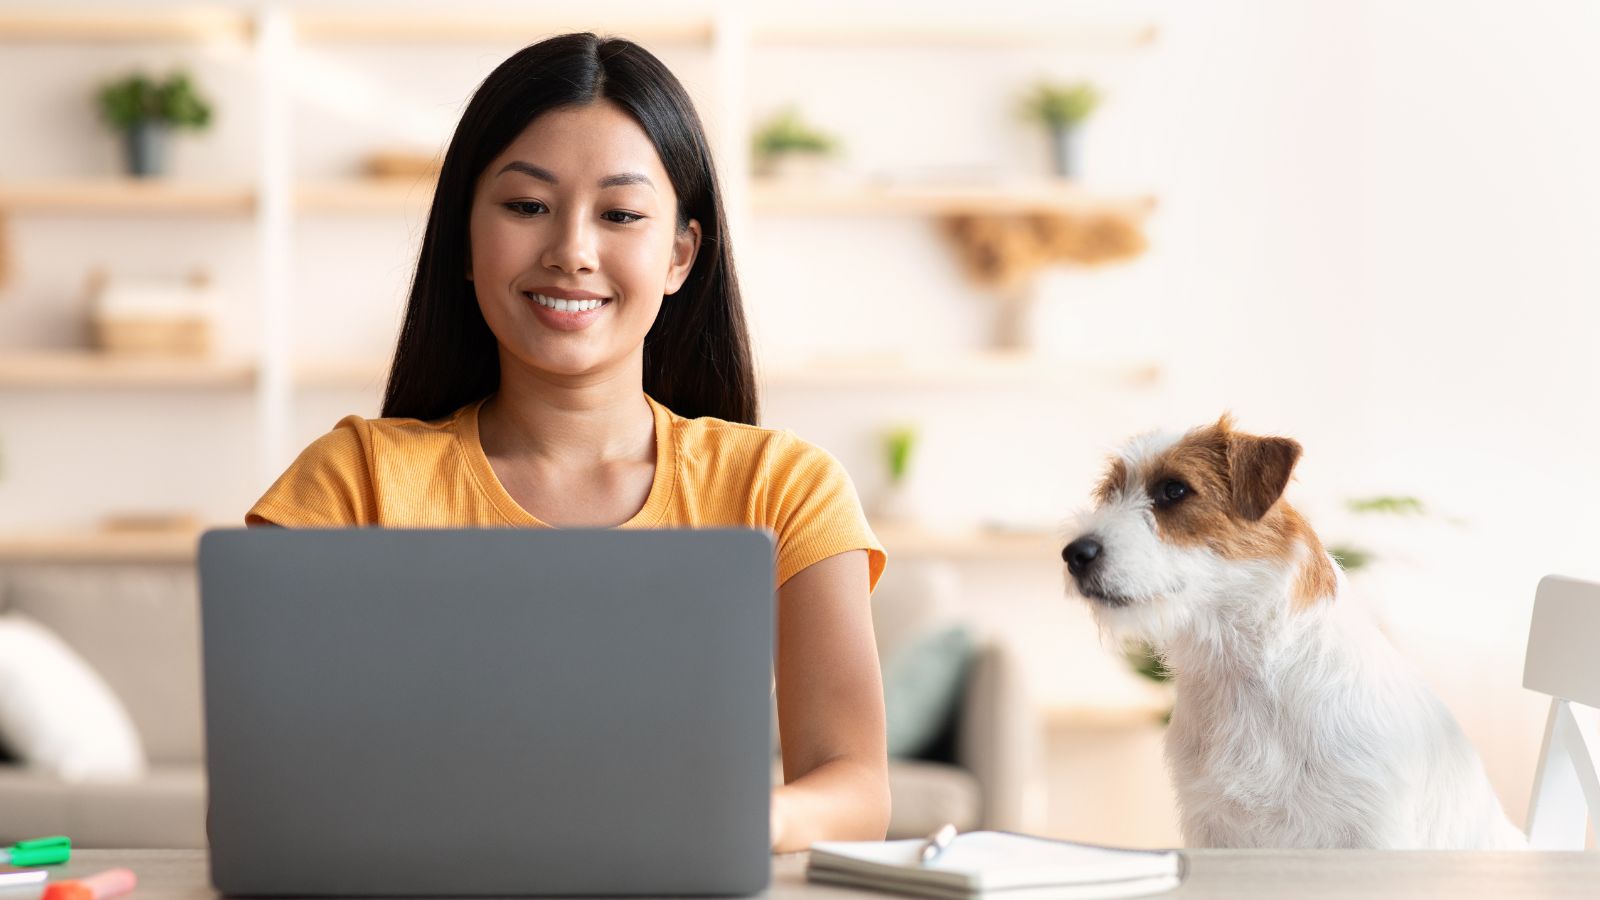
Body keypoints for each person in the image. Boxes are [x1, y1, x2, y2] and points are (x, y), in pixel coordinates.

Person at [244, 33, 891, 853]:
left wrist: (746, 819)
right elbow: (263, 797)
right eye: (525, 207)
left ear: (680, 255)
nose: (572, 252)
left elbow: (857, 785)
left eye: (620, 214)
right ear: (466, 245)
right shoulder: (351, 482)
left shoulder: (784, 487)